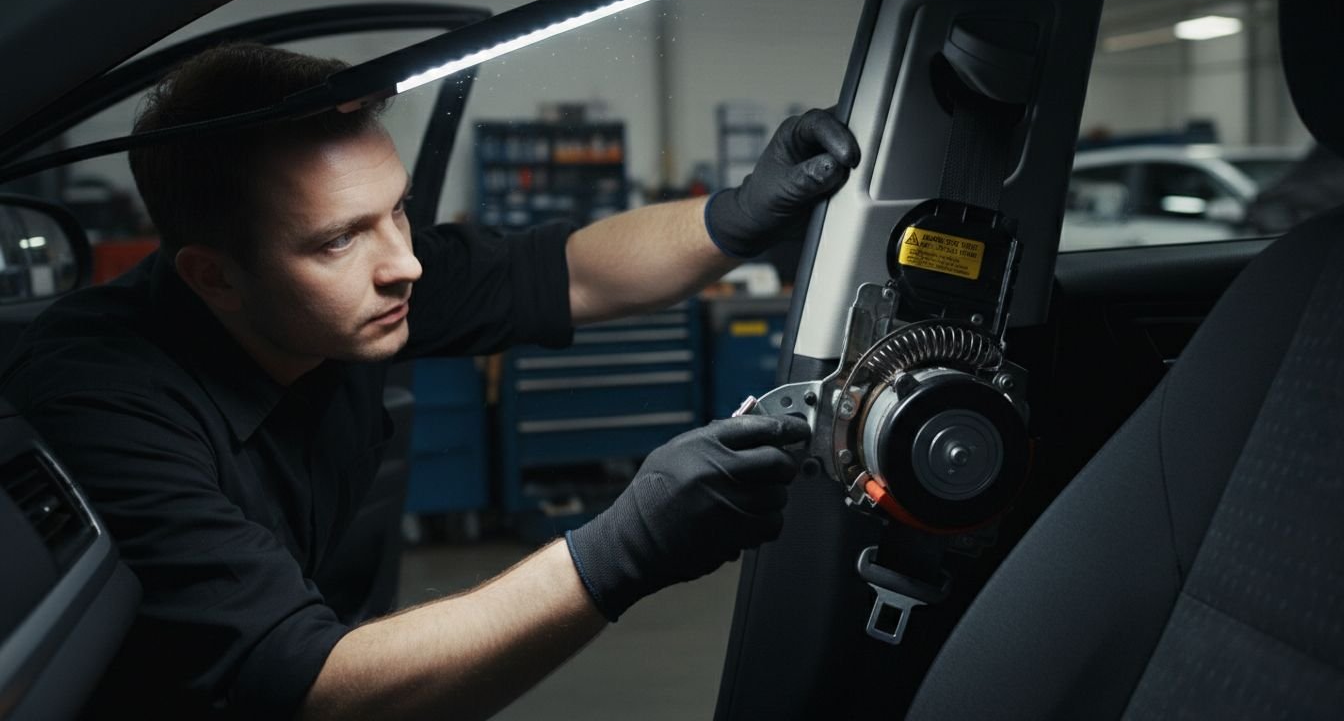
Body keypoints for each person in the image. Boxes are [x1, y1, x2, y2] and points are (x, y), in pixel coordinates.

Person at [0, 43, 860, 719]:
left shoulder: (345, 291)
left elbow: (565, 270)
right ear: (213, 276)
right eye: (339, 239)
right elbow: (309, 691)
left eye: (399, 209)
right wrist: (626, 545)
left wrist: (740, 213)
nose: (404, 263)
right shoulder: (105, 406)